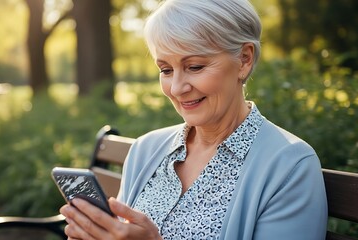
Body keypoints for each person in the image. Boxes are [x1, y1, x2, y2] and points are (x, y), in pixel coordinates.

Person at [60, 0, 328, 239]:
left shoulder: (290, 166)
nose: (177, 88)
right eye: (166, 69)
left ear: (244, 59)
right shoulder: (145, 150)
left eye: (195, 67)